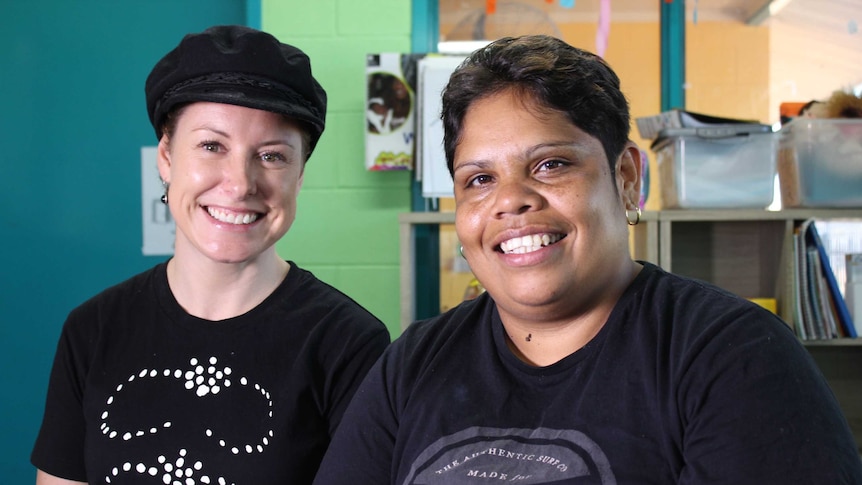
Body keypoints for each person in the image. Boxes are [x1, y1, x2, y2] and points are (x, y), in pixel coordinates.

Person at [312, 35, 862, 484]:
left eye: (550, 164)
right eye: (479, 179)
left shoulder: (732, 356)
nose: (511, 200)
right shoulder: (413, 365)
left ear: (626, 179)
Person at [31, 25, 390, 485]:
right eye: (211, 145)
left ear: (299, 175)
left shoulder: (348, 346)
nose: (240, 184)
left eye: (272, 156)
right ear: (165, 156)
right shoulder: (93, 330)